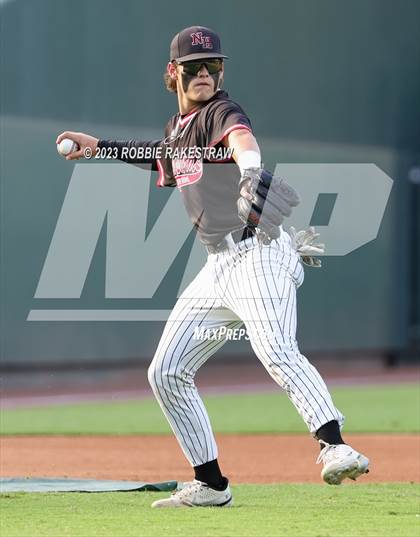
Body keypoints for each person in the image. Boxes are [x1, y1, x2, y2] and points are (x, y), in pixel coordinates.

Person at [56, 25, 369, 508]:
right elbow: (160, 157)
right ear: (172, 72)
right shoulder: (177, 129)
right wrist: (99, 147)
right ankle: (211, 483)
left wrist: (249, 173)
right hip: (218, 266)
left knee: (274, 347)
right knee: (166, 371)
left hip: (259, 251)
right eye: (193, 66)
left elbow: (241, 138)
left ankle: (335, 446)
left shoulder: (222, 110)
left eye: (213, 66)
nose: (204, 74)